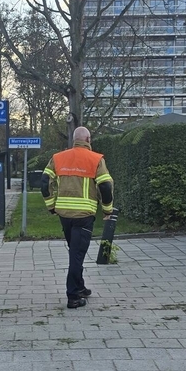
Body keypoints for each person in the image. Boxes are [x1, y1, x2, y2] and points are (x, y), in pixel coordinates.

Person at [40, 126, 114, 309]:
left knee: (75, 252)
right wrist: (107, 210)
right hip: (84, 215)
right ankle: (73, 296)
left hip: (64, 214)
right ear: (88, 139)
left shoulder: (58, 158)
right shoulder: (96, 159)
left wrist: (51, 206)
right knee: (77, 255)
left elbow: (44, 182)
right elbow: (105, 186)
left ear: (74, 140)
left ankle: (80, 287)